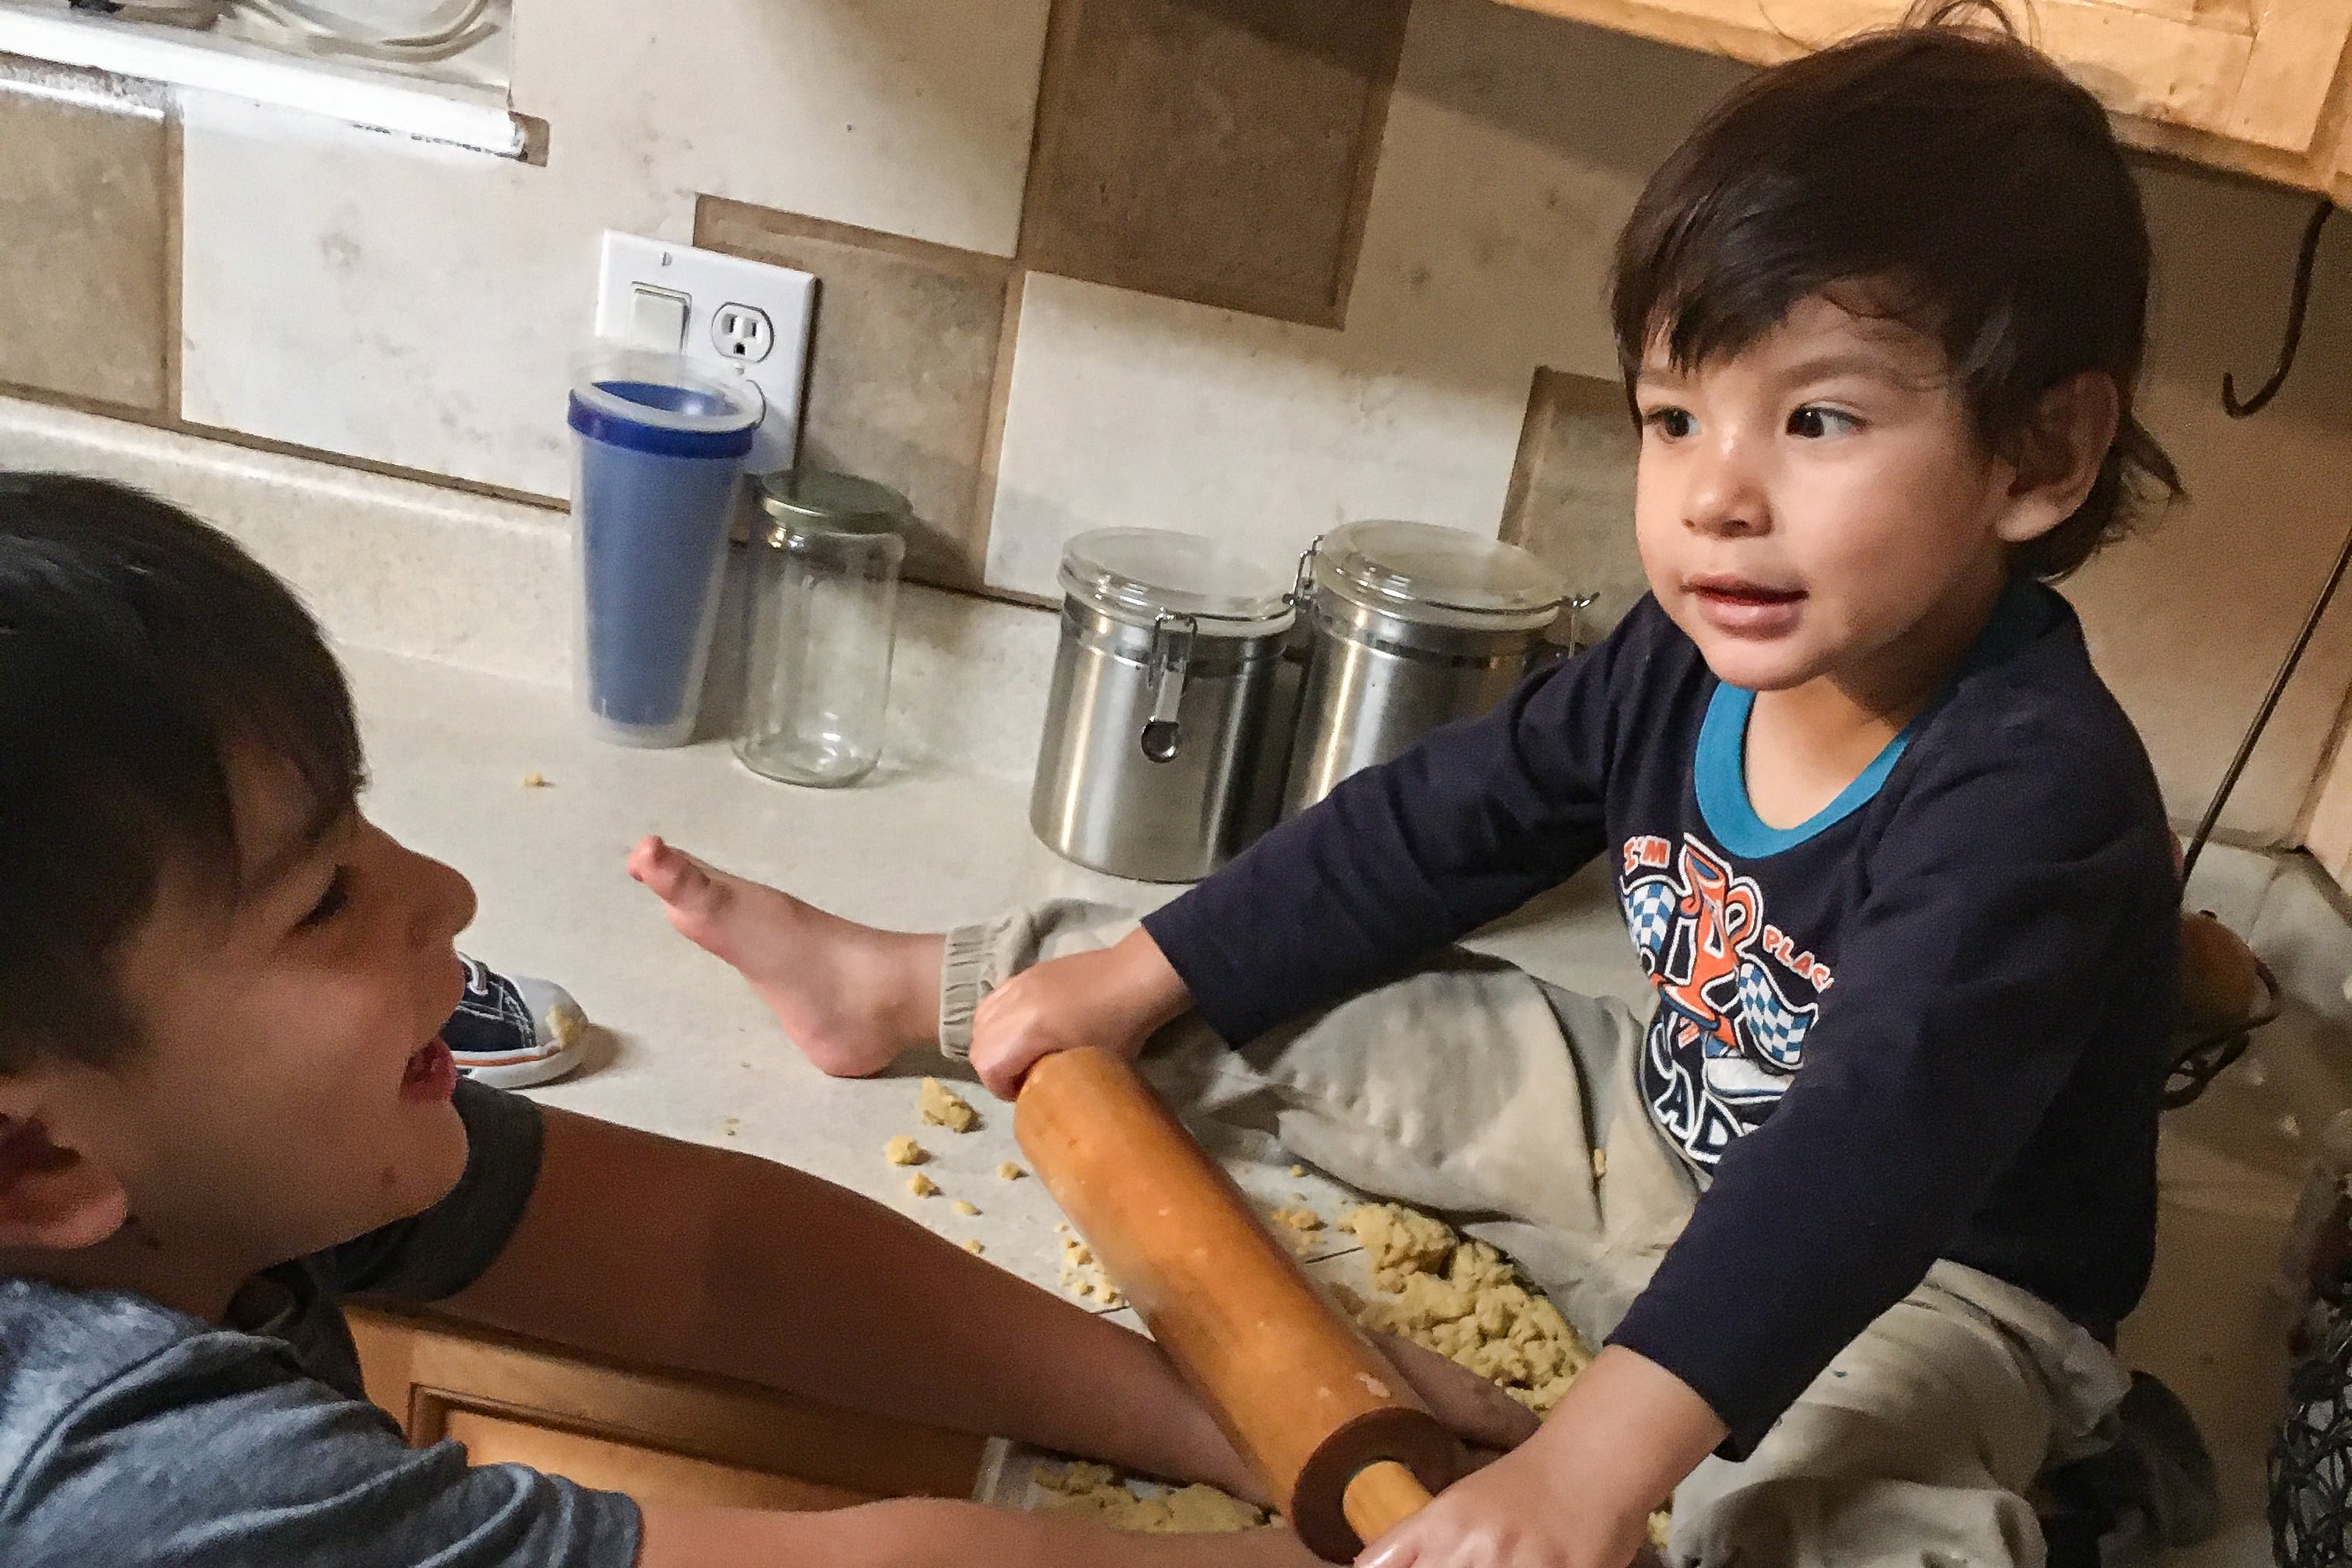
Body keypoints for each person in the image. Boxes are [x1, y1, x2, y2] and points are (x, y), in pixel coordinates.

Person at [629, 12, 2187, 1566]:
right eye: (1674, 416)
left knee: (1831, 1518)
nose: (1716, 491)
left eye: (1820, 418)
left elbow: (1866, 1149)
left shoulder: (2031, 797)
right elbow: (1441, 828)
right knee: (1242, 996)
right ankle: (913, 984)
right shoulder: (1689, 660)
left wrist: (1585, 1470)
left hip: (1928, 1285)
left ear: (2037, 455)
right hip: (1653, 1135)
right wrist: (1139, 971)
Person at [0, 473, 1533, 1568]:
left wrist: (1213, 1407)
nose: (448, 893)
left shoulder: (221, 1167)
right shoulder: (133, 1492)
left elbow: (704, 1261)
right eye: (319, 899)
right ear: (39, 1165)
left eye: (370, 827)